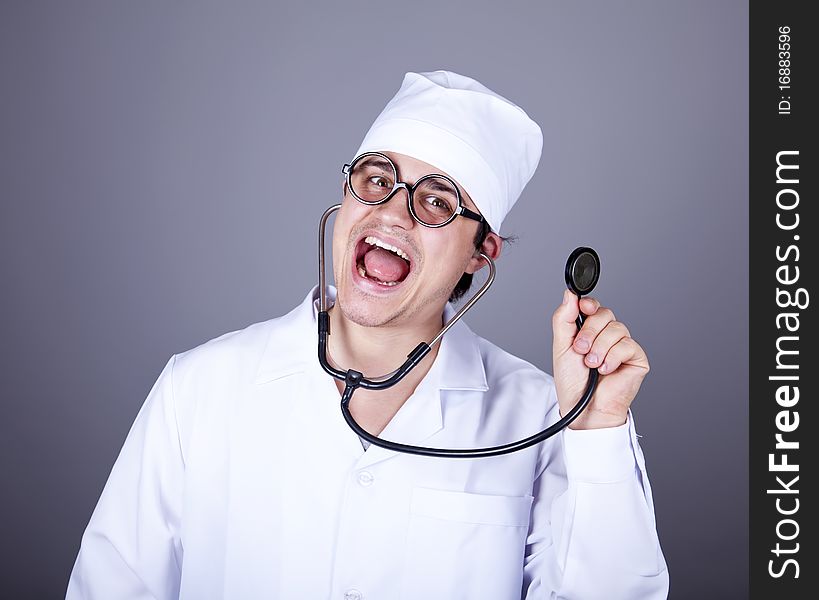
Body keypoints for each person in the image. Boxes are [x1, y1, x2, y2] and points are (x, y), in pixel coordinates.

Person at [66, 70, 669, 599]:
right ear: (346, 196)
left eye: (437, 202)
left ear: (480, 254)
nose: (393, 211)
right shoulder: (196, 390)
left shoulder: (544, 417)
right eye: (377, 179)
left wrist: (597, 434)